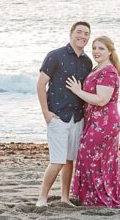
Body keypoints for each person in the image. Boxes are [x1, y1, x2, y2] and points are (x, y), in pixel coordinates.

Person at [36, 21, 94, 207]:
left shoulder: (87, 62)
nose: (82, 36)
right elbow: (40, 84)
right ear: (71, 33)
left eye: (86, 34)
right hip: (58, 116)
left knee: (69, 160)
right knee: (57, 161)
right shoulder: (55, 56)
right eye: (79, 32)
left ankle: (64, 198)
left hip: (78, 118)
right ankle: (42, 198)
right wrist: (46, 113)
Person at [67, 35, 120, 208]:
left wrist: (77, 90)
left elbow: (101, 100)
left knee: (91, 157)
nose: (96, 52)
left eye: (101, 49)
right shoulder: (96, 68)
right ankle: (94, 198)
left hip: (105, 122)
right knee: (97, 160)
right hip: (95, 121)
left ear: (109, 52)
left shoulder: (108, 71)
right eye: (94, 48)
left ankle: (100, 199)